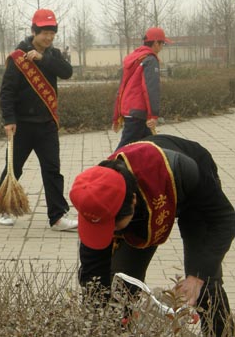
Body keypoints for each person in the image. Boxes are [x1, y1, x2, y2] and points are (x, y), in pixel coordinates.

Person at [70, 134, 235, 336]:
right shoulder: (96, 196)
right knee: (121, 285)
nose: (110, 235)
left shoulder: (185, 169)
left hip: (186, 192)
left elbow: (224, 219)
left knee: (205, 286)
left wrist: (197, 275)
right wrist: (94, 318)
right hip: (139, 206)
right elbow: (93, 271)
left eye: (114, 228)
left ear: (132, 202)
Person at [0, 8, 77, 231]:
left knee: (52, 170)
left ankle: (58, 217)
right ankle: (4, 208)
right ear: (34, 31)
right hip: (21, 125)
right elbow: (7, 92)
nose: (49, 37)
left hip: (47, 125)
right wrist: (8, 119)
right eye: (45, 32)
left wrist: (42, 59)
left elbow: (67, 72)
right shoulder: (18, 56)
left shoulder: (53, 54)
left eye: (52, 33)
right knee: (13, 168)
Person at [112, 27, 172, 149]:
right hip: (138, 113)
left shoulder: (135, 57)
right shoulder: (150, 59)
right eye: (162, 43)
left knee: (150, 148)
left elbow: (122, 86)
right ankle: (105, 167)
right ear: (155, 43)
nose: (162, 47)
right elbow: (151, 89)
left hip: (129, 109)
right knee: (122, 151)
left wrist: (116, 114)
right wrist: (153, 115)